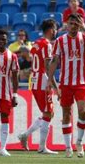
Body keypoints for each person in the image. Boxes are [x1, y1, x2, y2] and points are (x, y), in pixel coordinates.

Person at [47, 14, 85, 158]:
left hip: (82, 82)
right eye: (71, 23)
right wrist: (50, 81)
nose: (73, 26)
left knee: (83, 112)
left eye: (76, 24)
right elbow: (54, 62)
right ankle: (68, 147)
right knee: (66, 114)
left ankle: (79, 142)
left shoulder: (84, 38)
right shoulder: (60, 41)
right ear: (67, 24)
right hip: (65, 83)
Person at [17, 19, 58, 154]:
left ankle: (25, 135)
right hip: (43, 81)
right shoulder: (47, 45)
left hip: (34, 80)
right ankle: (41, 147)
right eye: (55, 29)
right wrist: (55, 86)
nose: (56, 31)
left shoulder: (36, 43)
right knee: (48, 113)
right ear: (51, 29)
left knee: (48, 113)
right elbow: (47, 67)